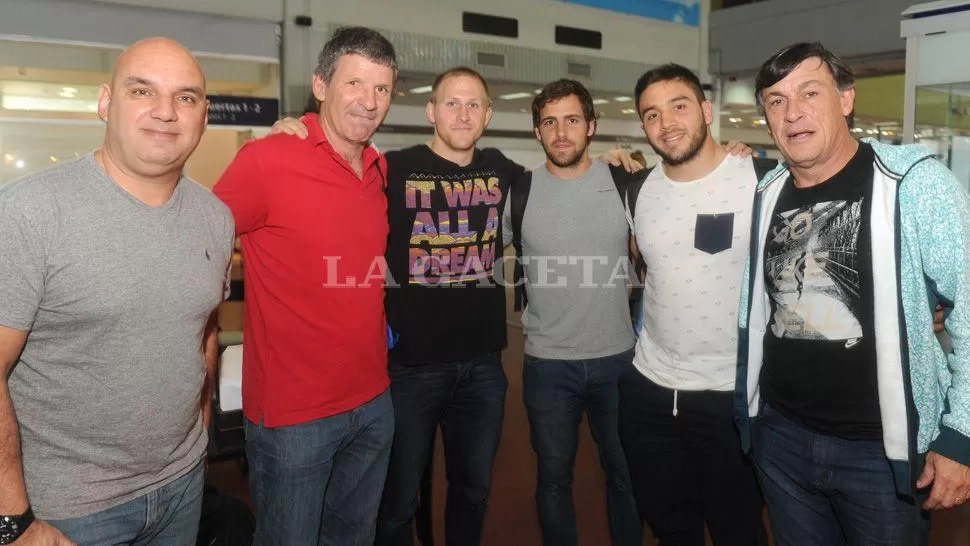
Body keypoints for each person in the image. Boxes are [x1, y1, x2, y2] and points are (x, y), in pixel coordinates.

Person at [0, 37, 233, 545]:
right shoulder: (27, 213)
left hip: (183, 485)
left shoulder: (215, 217)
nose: (166, 112)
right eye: (142, 91)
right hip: (67, 511)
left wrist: (199, 434)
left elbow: (204, 329)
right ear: (106, 101)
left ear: (204, 114)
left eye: (187, 97)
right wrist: (12, 519)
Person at [736, 41, 970, 545]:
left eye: (809, 93)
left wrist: (962, 434)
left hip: (880, 456)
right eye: (776, 101)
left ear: (845, 100)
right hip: (781, 440)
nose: (792, 112)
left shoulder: (913, 184)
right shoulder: (768, 191)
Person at [212, 26, 397, 546]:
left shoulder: (379, 170)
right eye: (355, 84)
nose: (369, 101)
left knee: (353, 538)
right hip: (294, 418)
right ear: (320, 85)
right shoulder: (268, 159)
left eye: (382, 89)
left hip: (374, 402)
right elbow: (195, 242)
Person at [616, 63, 769, 545]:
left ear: (707, 110)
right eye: (652, 114)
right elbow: (642, 262)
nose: (667, 123)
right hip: (650, 391)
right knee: (668, 525)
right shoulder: (637, 190)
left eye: (679, 106)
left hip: (730, 396)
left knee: (738, 529)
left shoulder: (762, 180)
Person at [502, 79, 643, 546]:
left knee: (626, 478)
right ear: (537, 132)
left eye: (572, 120)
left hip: (619, 361)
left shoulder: (624, 183)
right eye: (550, 122)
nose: (561, 132)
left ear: (592, 126)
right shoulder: (517, 194)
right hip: (548, 365)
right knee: (553, 481)